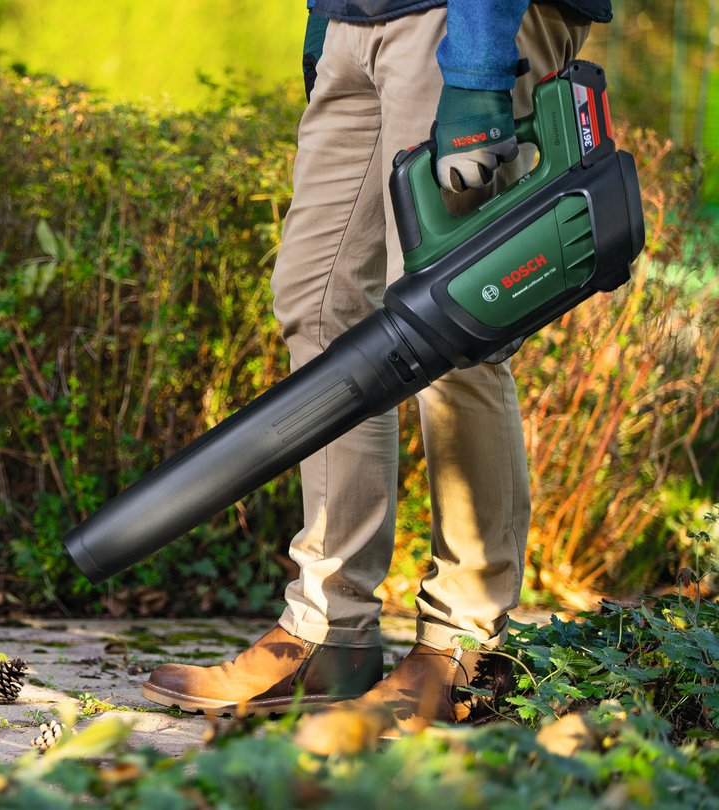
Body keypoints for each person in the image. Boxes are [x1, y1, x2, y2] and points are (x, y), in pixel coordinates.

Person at [141, 0, 613, 734]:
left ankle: (466, 646)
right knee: (316, 301)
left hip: (461, 27)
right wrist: (322, 27)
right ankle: (330, 630)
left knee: (456, 321)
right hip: (355, 21)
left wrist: (481, 68)